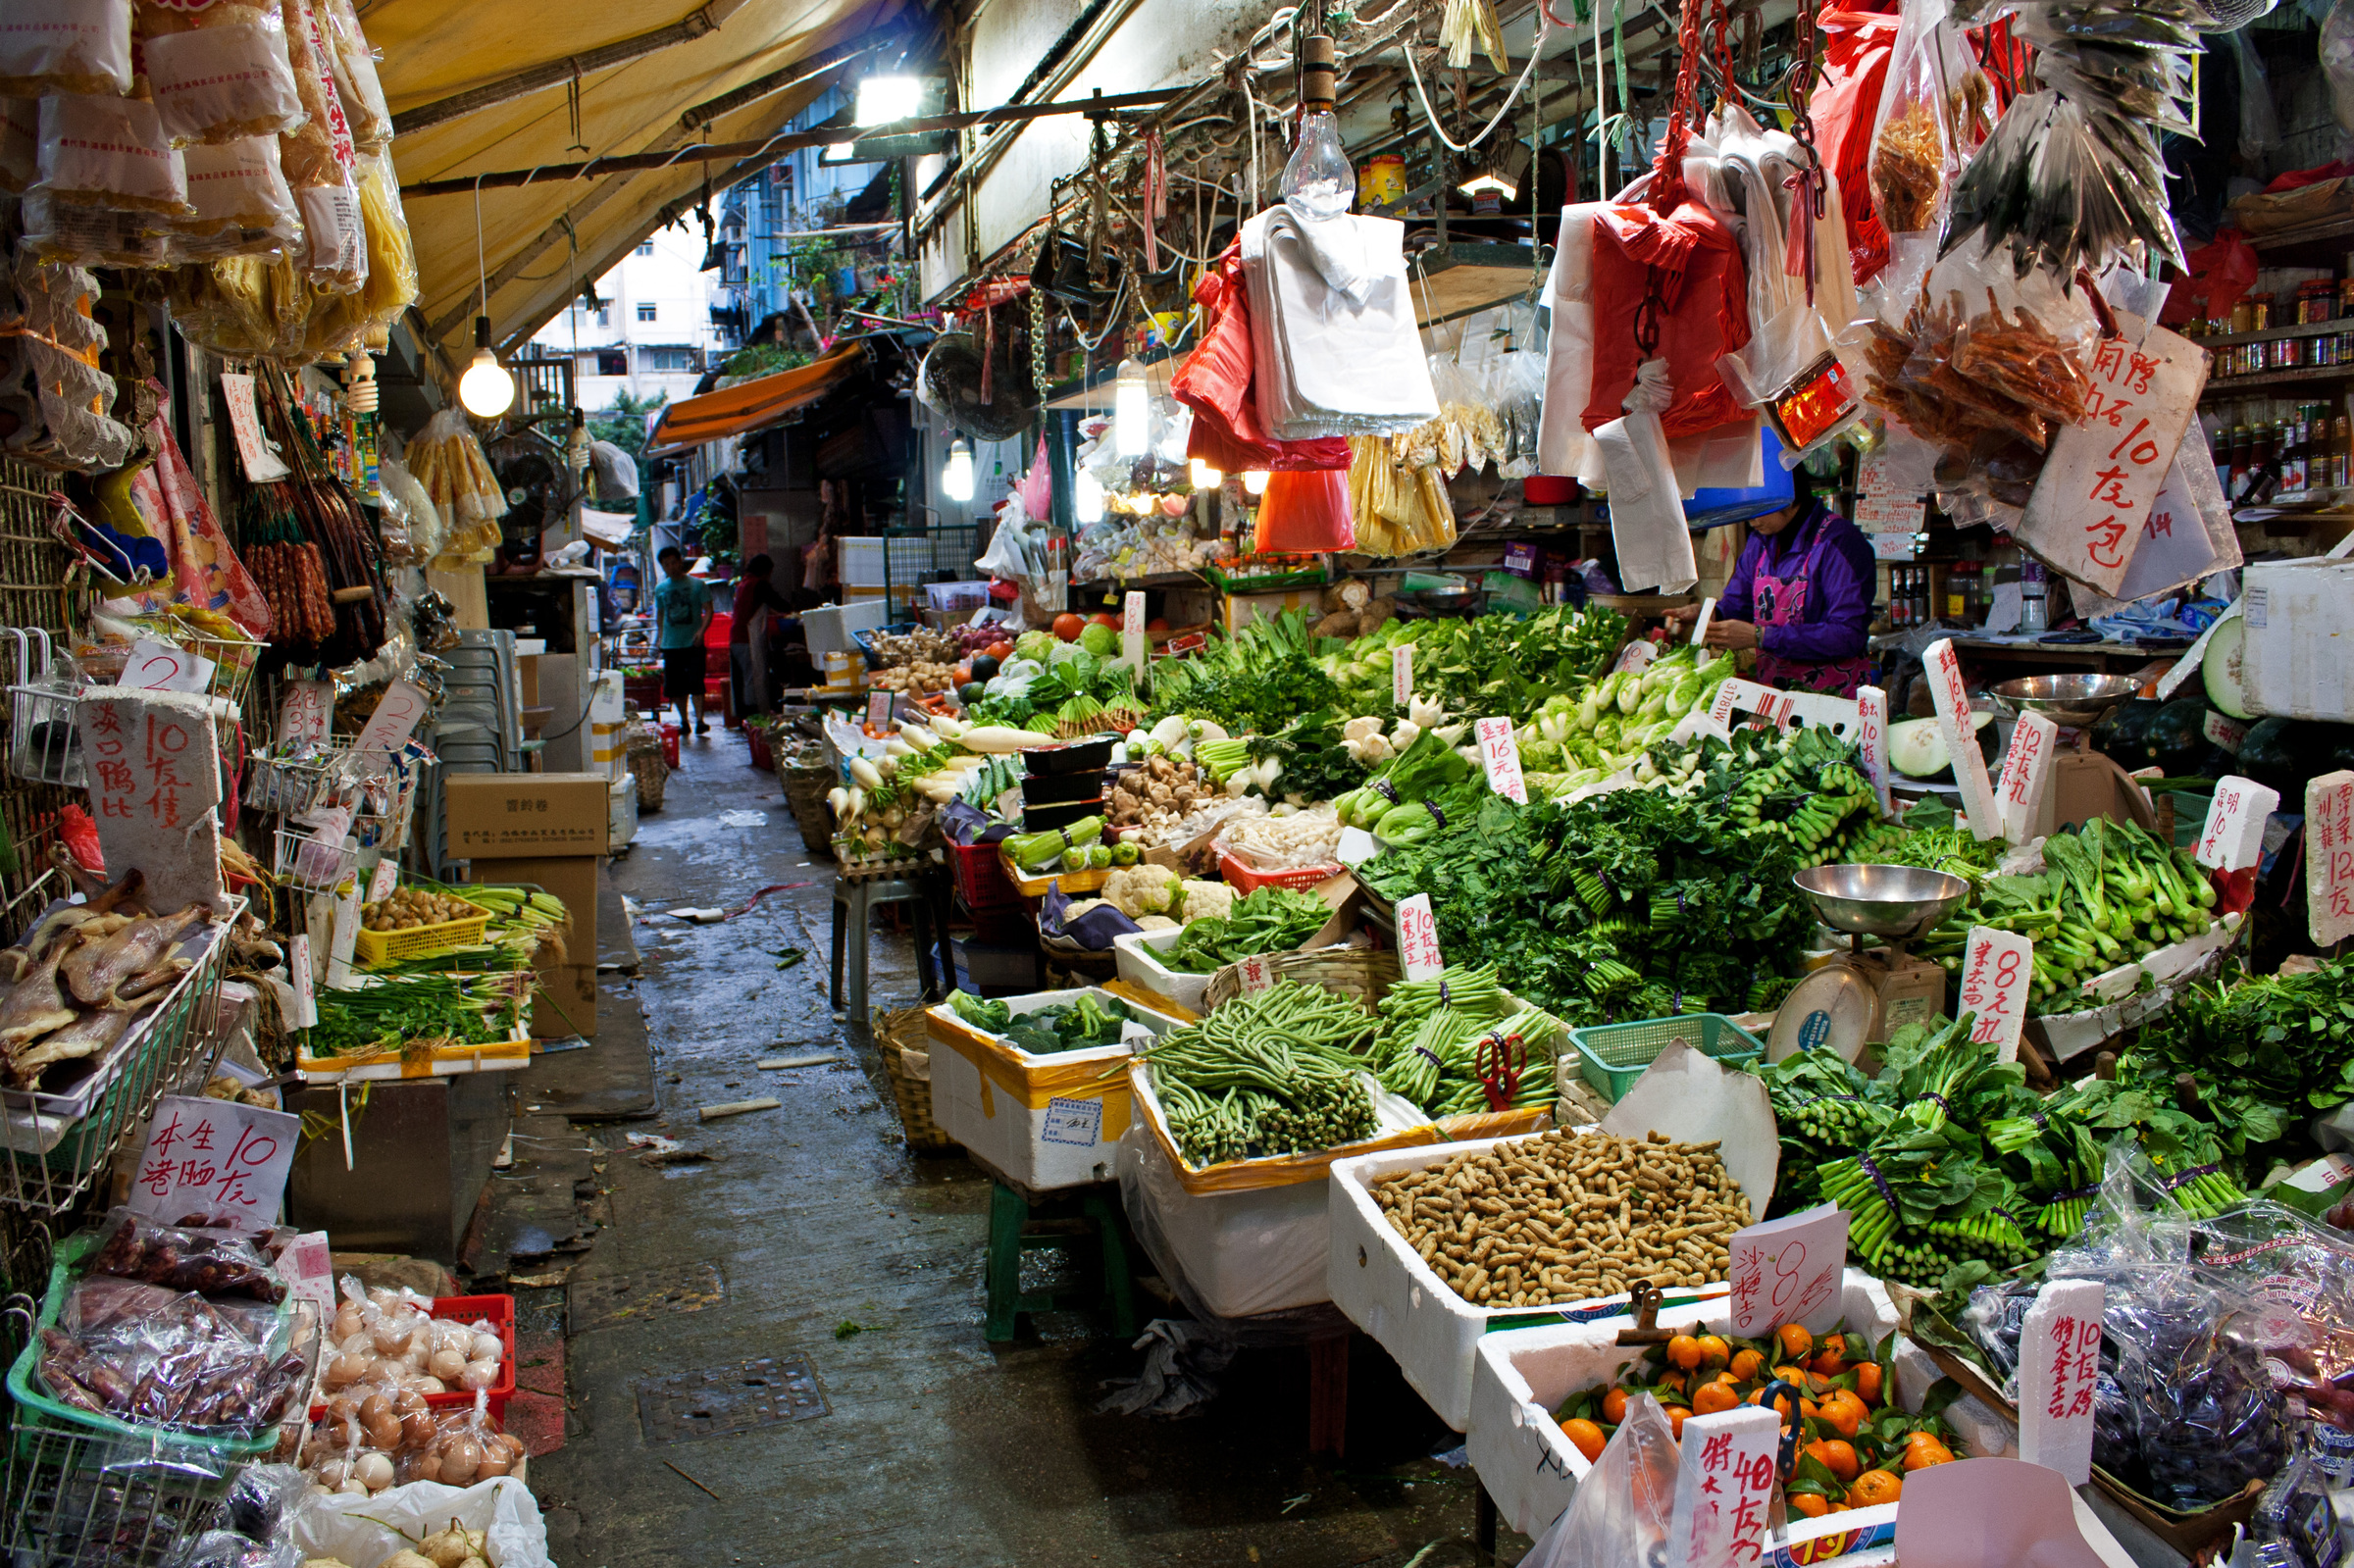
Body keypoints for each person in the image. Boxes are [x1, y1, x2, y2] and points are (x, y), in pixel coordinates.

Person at [1666, 472, 1877, 697]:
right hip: (1775, 695)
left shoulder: (1839, 541)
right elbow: (1738, 605)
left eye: (1758, 506)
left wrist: (1760, 637)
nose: (1751, 519)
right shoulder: (1760, 541)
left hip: (1833, 699)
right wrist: (1709, 615)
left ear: (1787, 495)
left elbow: (1848, 635)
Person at [652, 545, 713, 734]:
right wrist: (660, 638)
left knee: (696, 682)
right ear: (663, 567)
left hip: (693, 642)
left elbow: (709, 610)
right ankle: (684, 721)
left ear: (680, 561)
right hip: (671, 645)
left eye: (673, 562)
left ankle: (700, 721)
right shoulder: (660, 589)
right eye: (666, 564)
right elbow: (660, 615)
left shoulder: (697, 585)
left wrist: (701, 632)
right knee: (676, 686)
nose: (671, 567)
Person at [728, 555, 789, 719]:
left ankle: (746, 716)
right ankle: (753, 717)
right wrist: (791, 611)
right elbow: (780, 604)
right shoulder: (759, 585)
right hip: (746, 638)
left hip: (736, 638)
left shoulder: (744, 583)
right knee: (753, 679)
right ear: (766, 571)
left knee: (744, 679)